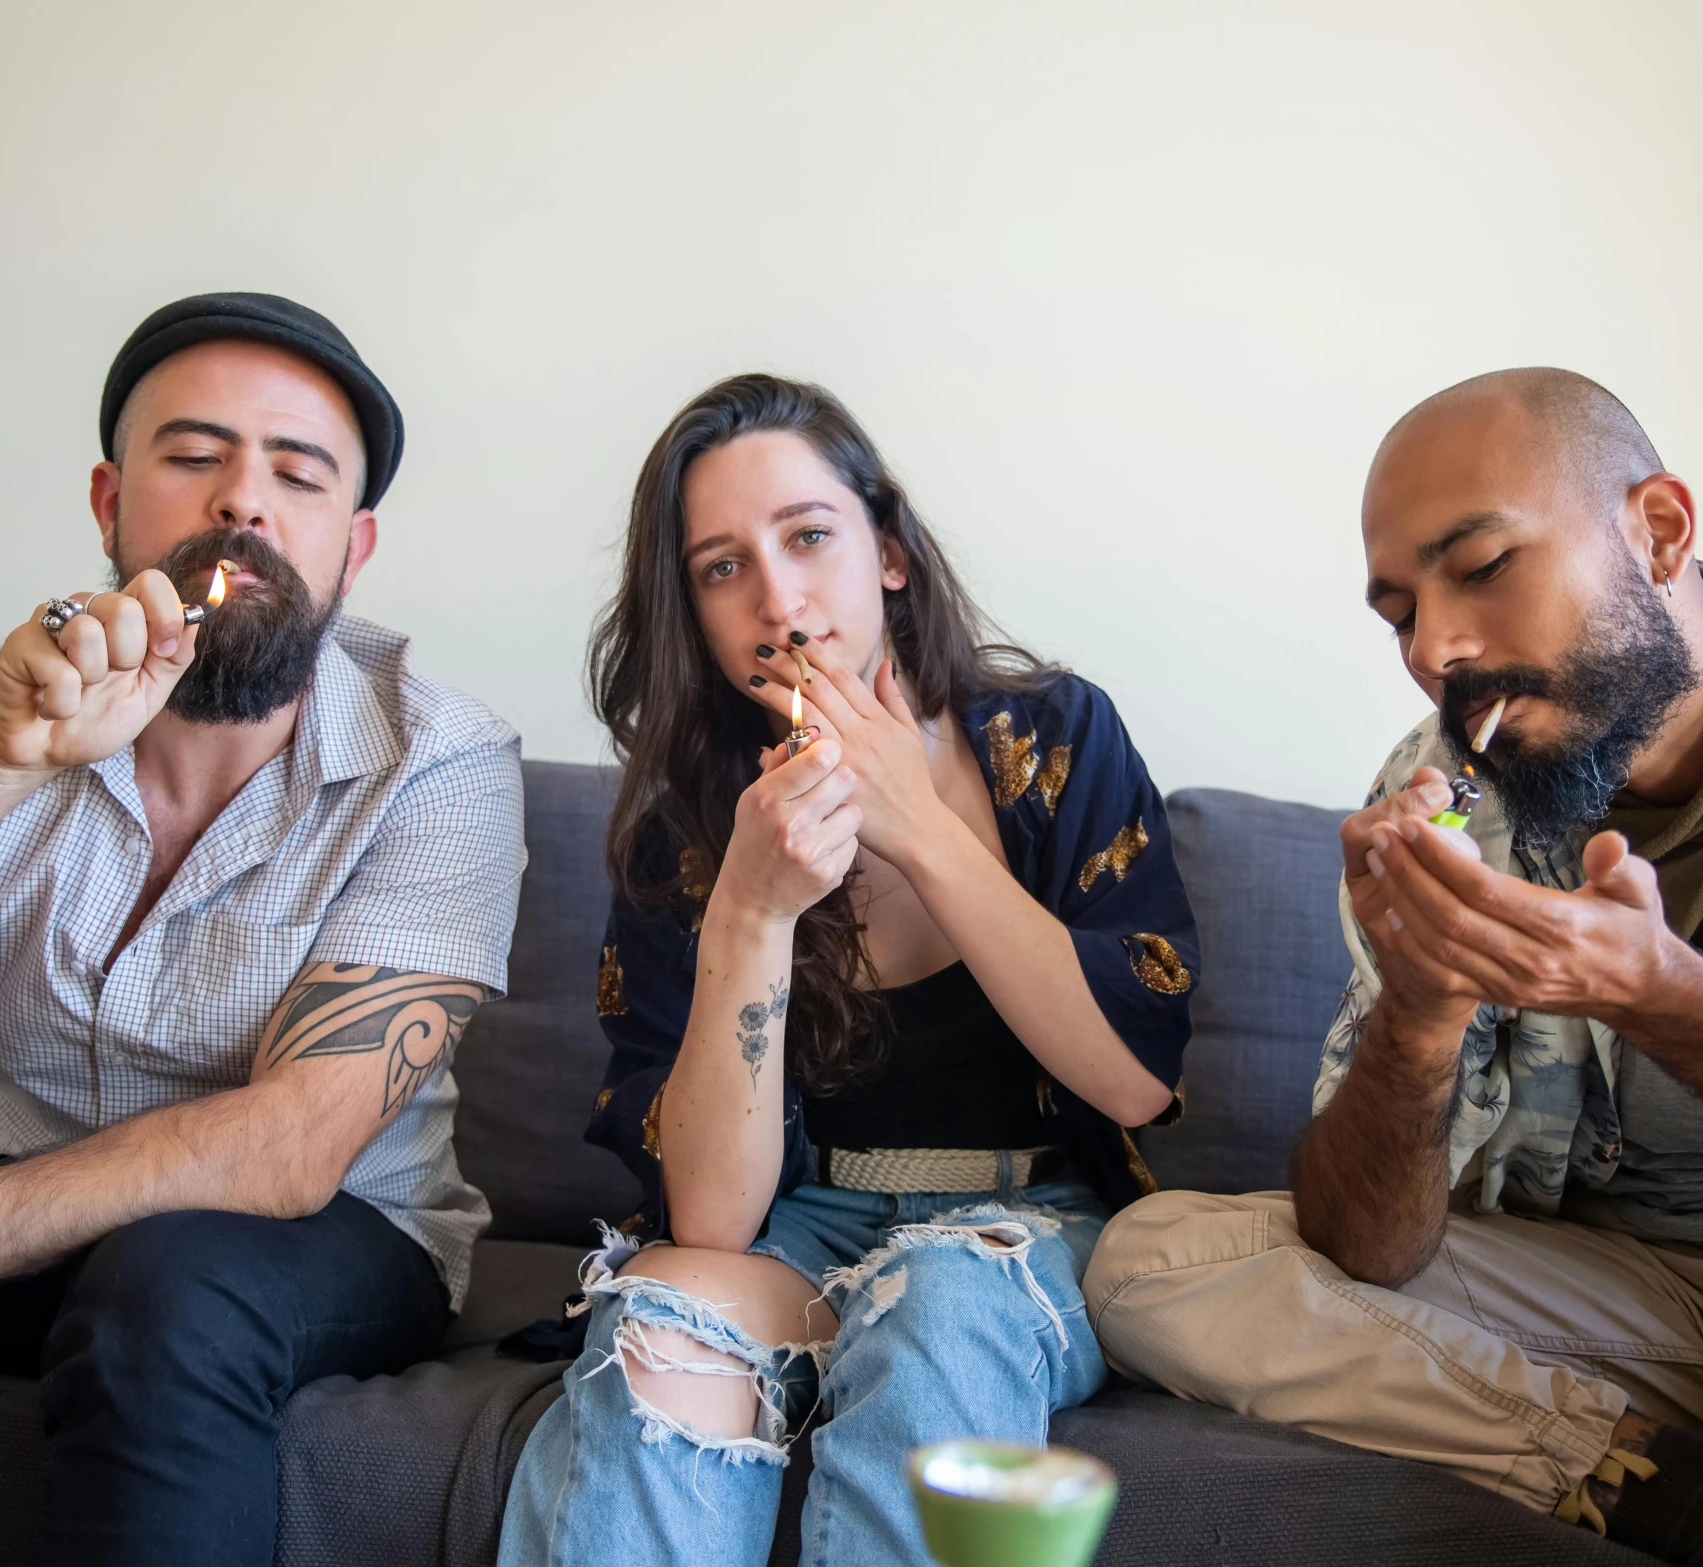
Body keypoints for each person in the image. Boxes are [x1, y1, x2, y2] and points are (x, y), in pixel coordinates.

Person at [1084, 368, 1703, 1567]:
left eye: (1481, 567)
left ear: (1656, 531)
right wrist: (1419, 1015)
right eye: (1397, 614)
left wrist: (1665, 996)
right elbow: (1365, 1252)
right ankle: (1668, 1490)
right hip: (1625, 1293)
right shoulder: (1435, 792)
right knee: (1153, 1262)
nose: (1436, 649)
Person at [0, 293, 525, 1566]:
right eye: (192, 456)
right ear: (108, 501)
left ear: (352, 548)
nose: (241, 500)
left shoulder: (443, 760)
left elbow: (292, 1148)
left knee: (164, 1293)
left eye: (295, 473)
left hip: (326, 1232)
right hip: (21, 1169)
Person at [498, 373, 1196, 1567]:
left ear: (888, 553)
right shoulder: (684, 824)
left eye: (808, 536)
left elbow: (1132, 1081)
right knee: (661, 1326)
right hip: (803, 1226)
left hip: (1029, 1223)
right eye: (721, 567)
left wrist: (915, 823)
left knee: (937, 1304)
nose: (777, 597)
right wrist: (749, 914)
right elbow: (712, 1220)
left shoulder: (1059, 737)